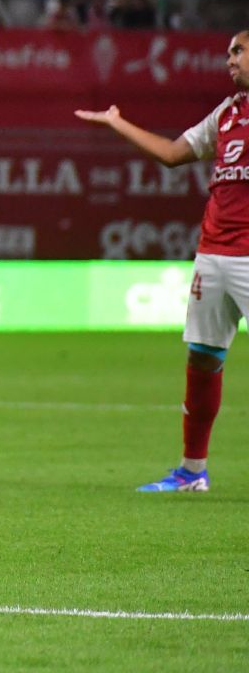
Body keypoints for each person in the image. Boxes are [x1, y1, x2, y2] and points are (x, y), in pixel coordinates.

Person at [76, 31, 249, 492]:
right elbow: (174, 154)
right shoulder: (229, 113)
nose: (228, 58)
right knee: (203, 356)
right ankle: (192, 472)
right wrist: (118, 123)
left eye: (239, 50)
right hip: (214, 253)